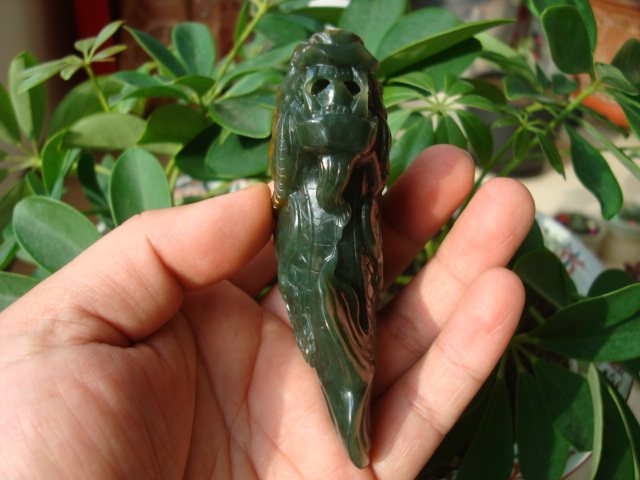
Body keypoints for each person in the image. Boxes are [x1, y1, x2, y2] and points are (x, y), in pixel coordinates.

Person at [0, 145, 534, 479]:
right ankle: (349, 396)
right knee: (332, 318)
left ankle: (351, 400)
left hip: (348, 246)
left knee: (350, 322)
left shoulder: (361, 162)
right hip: (313, 252)